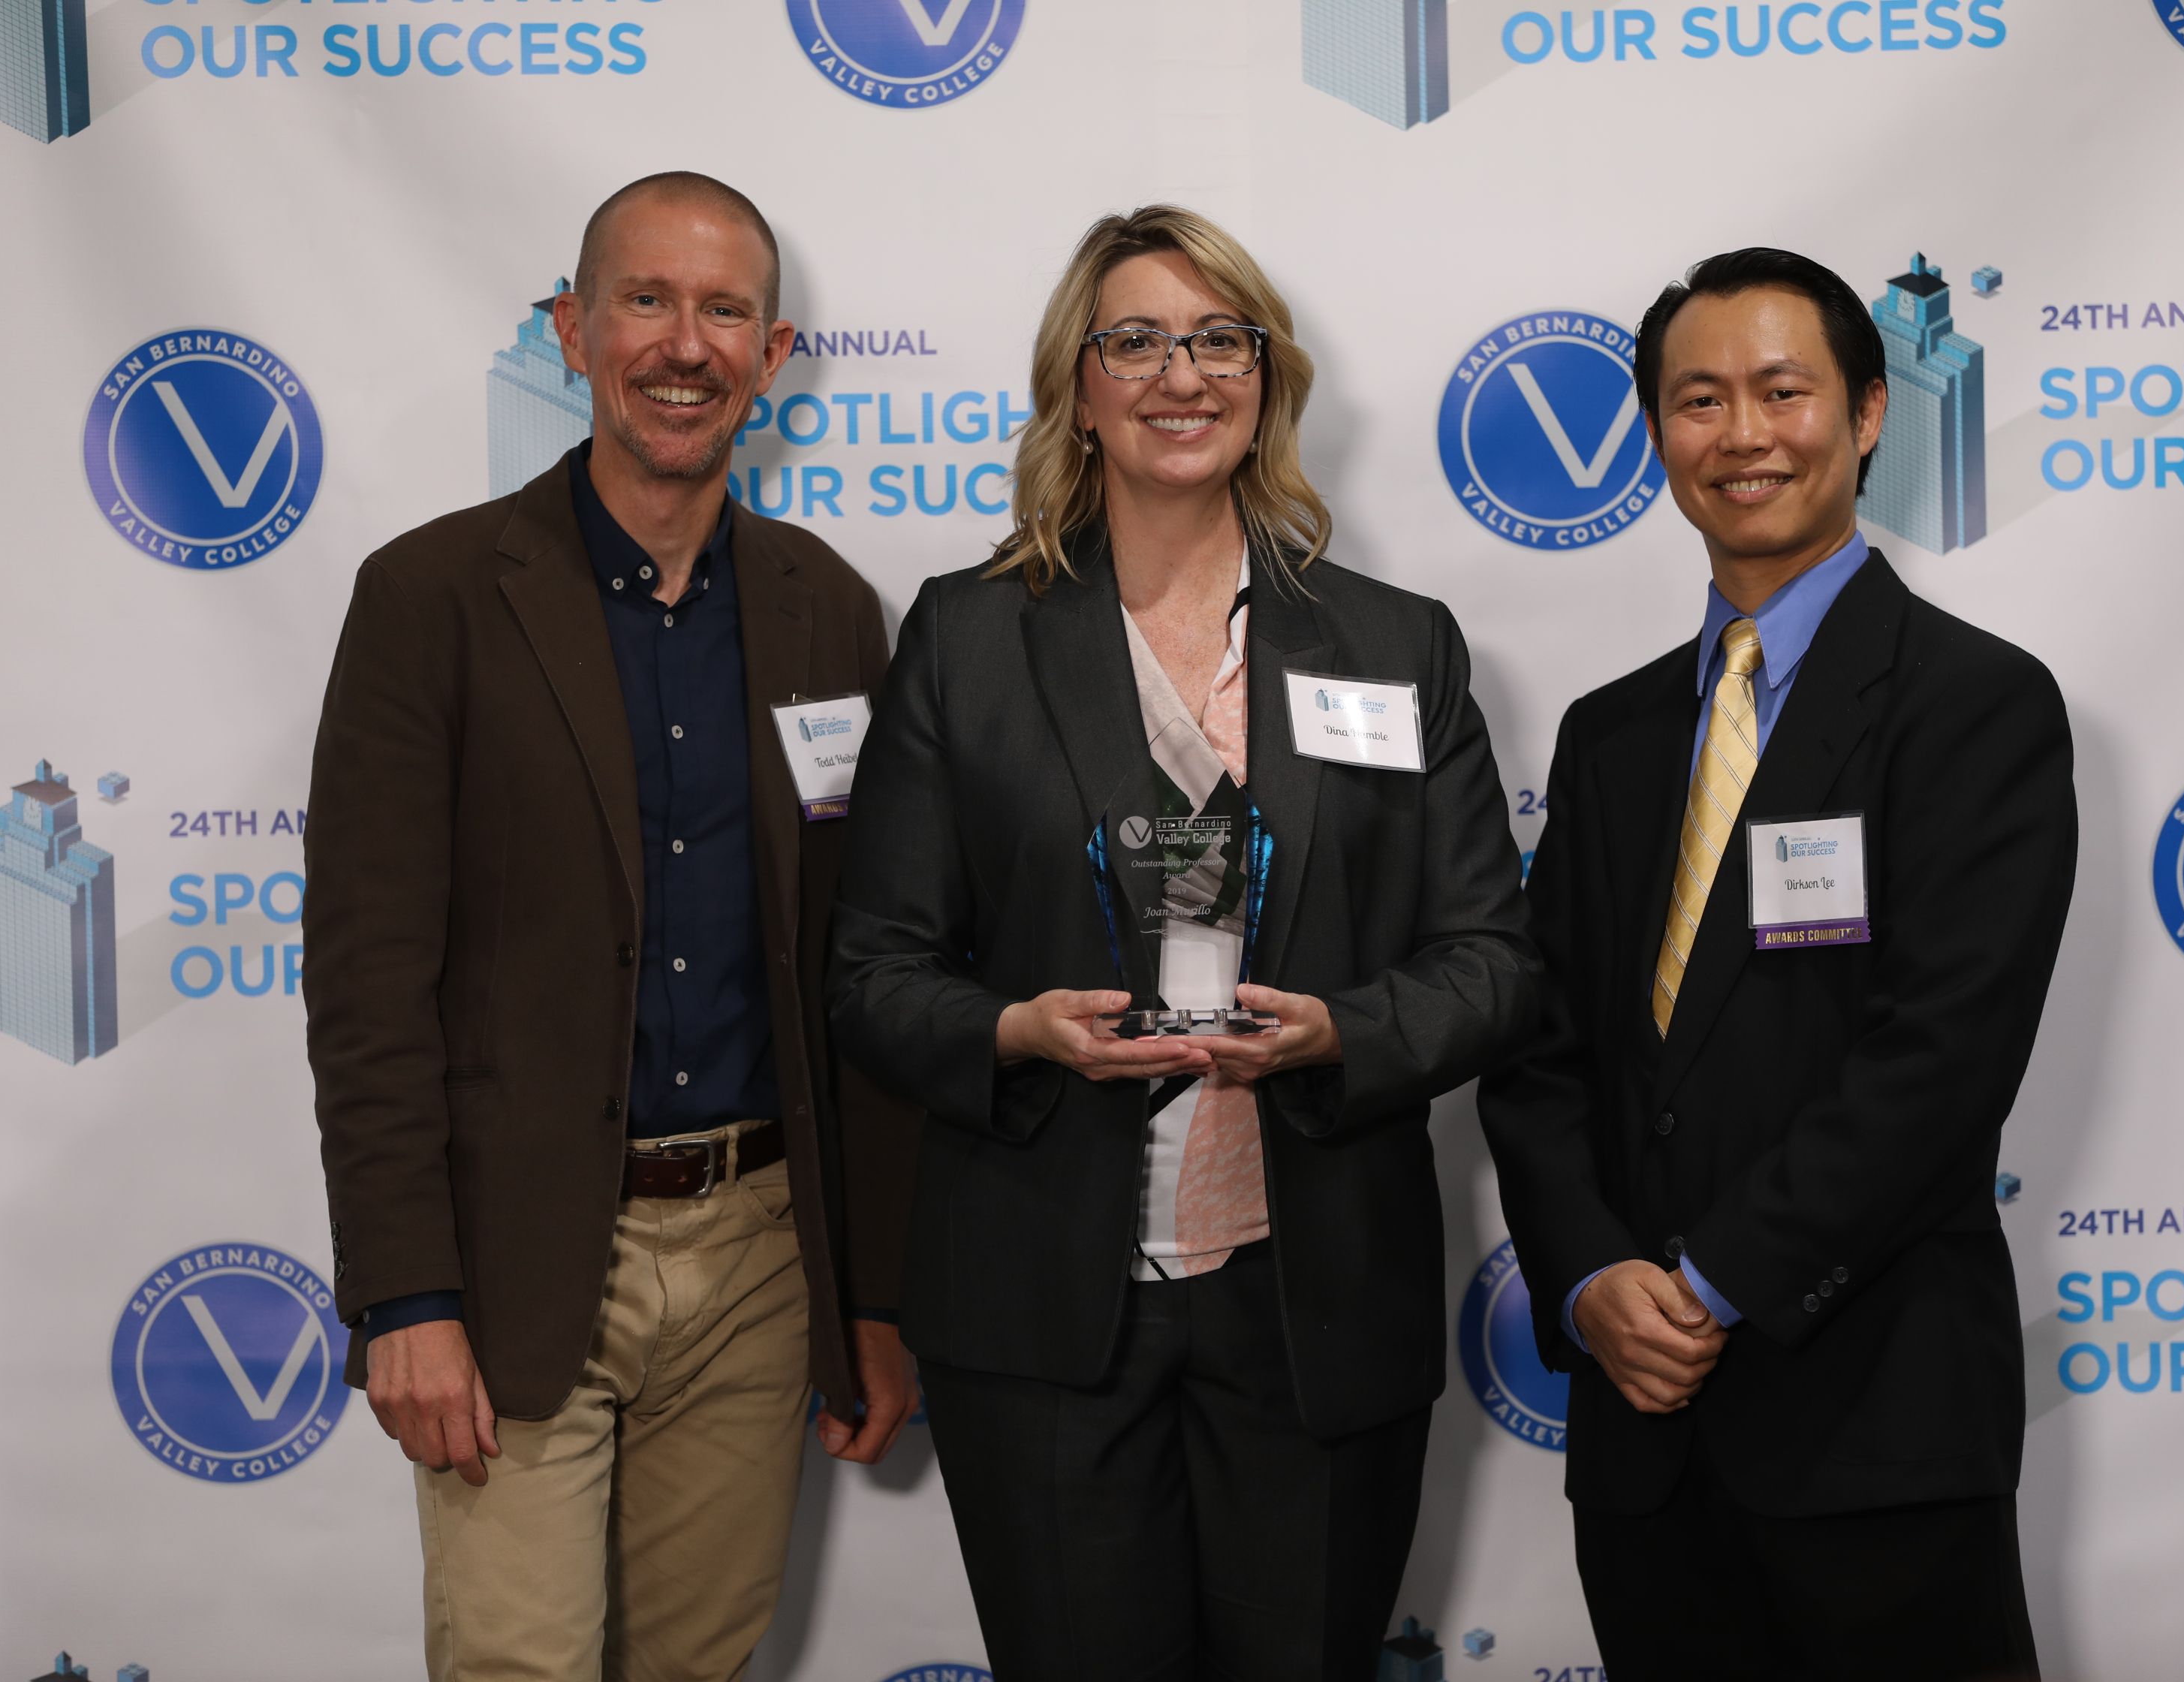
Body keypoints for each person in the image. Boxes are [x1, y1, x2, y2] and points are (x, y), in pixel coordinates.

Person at [827, 204, 1538, 1680]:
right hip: (1044, 1312)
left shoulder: (1394, 646)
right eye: (1136, 341)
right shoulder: (968, 639)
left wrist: (1342, 1033)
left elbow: (1491, 960)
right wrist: (1018, 1031)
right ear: (1077, 386)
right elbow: (876, 972)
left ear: (1267, 381)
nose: (1182, 374)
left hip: (1315, 1299)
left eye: (1222, 339)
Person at [303, 170, 920, 1682]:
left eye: (725, 312)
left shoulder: (833, 611)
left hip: (761, 1262)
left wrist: (874, 1296)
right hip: (516, 1263)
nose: (684, 345)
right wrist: (406, 1293)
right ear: (572, 330)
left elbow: (858, 978)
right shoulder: (433, 598)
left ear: (775, 358)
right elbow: (369, 984)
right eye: (646, 301)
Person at [1479, 248, 2074, 1681]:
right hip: (1645, 1443)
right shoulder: (1611, 736)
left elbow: (1943, 1062)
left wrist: (1715, 1281)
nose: (1741, 434)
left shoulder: (1977, 705)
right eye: (1699, 400)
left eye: (1782, 391)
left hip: (1877, 1426)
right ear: (1658, 436)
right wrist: (1592, 1278)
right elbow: (1538, 1053)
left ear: (1867, 414)